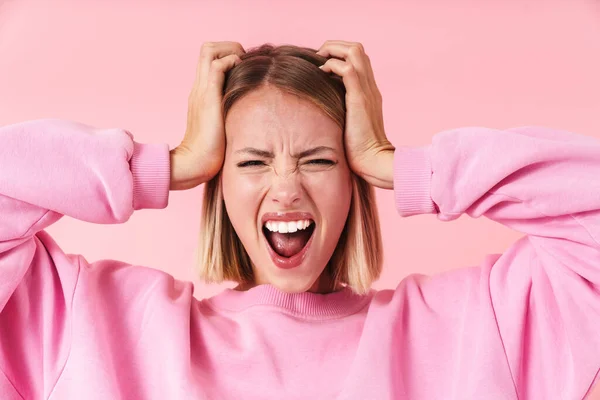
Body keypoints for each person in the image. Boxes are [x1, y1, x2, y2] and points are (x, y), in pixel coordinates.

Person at [0, 40, 598, 400]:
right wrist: (165, 166)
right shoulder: (92, 322)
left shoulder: (477, 326)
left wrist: (403, 166)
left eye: (319, 160)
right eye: (253, 161)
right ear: (219, 183)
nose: (286, 188)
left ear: (352, 184)